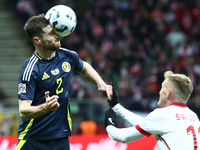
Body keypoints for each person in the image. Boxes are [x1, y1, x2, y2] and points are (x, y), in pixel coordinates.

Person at [15, 14, 112, 150]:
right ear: (37, 40)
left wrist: (100, 83)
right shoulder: (31, 69)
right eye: (51, 33)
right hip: (33, 139)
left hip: (60, 137)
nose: (57, 35)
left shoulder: (68, 56)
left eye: (56, 31)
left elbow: (84, 68)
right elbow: (23, 111)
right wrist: (46, 107)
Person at [105, 71, 200, 150]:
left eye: (162, 88)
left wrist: (109, 125)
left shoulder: (164, 114)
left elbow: (123, 137)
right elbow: (145, 124)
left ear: (168, 93)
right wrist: (117, 107)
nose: (159, 92)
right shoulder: (194, 117)